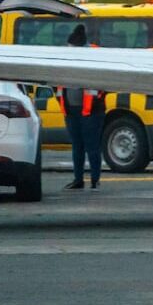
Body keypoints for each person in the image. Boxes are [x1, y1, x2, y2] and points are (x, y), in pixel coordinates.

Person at [57, 24, 105, 189]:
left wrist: (97, 100)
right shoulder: (65, 57)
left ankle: (95, 179)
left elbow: (104, 84)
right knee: (77, 146)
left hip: (92, 111)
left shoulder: (94, 55)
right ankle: (78, 179)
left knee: (92, 146)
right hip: (71, 110)